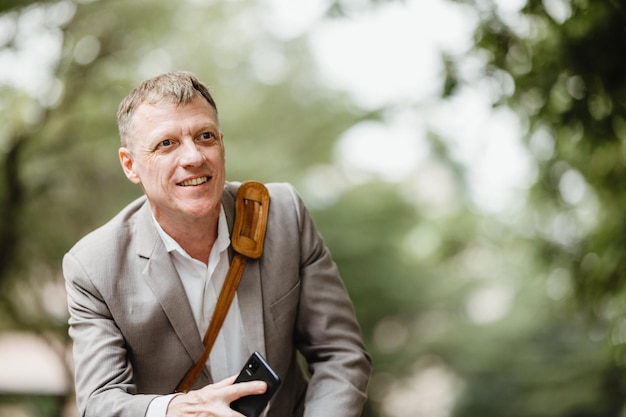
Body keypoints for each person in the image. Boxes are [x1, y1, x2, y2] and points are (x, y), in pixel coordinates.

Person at [63, 71, 372, 417]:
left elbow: (340, 354)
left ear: (222, 144)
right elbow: (99, 402)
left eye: (205, 136)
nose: (193, 157)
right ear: (130, 165)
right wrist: (176, 409)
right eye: (167, 143)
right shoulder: (93, 266)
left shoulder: (283, 216)